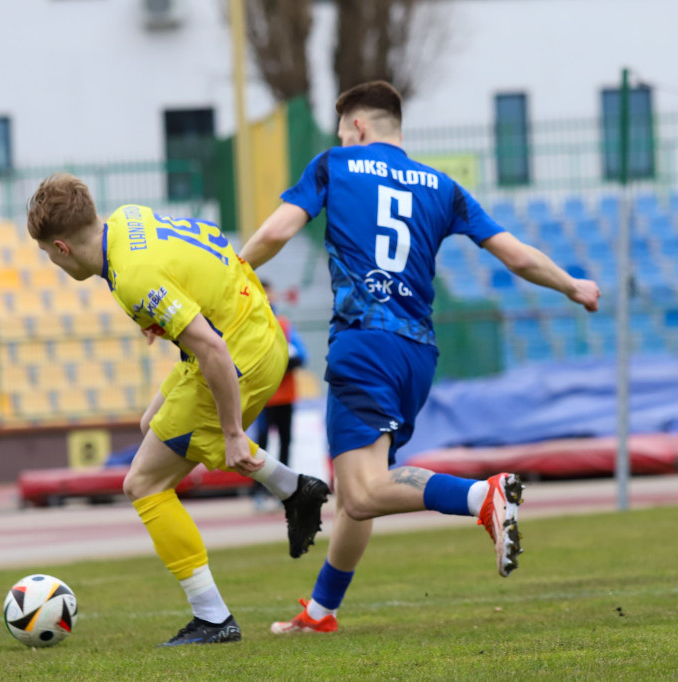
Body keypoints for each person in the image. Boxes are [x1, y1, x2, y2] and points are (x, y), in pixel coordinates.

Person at [238, 81, 601, 635]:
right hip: (416, 354)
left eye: (343, 131)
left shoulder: (335, 164)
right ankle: (321, 611)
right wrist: (572, 285)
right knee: (362, 492)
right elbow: (517, 256)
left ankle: (484, 495)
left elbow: (277, 230)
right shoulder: (442, 185)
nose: (341, 138)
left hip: (365, 341)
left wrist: (232, 275)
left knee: (360, 490)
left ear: (357, 128)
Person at [25, 173, 330, 646]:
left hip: (236, 352)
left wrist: (232, 431)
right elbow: (185, 263)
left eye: (48, 253)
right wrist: (160, 318)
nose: (51, 261)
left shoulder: (133, 277)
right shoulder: (126, 222)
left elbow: (210, 348)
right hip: (256, 325)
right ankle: (294, 489)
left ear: (62, 247)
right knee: (154, 425)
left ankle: (213, 618)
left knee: (143, 483)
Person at [251, 280, 308, 510]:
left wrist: (284, 361)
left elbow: (302, 355)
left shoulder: (284, 324)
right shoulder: (253, 325)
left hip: (286, 396)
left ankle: (283, 492)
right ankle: (259, 493)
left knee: (285, 442)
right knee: (262, 444)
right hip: (263, 397)